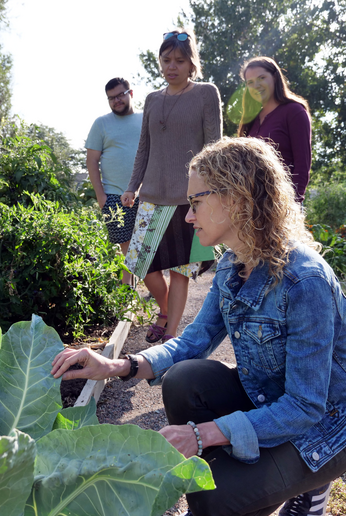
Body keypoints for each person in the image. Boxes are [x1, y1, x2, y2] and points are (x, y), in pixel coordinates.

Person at [52, 137, 346, 516]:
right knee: (185, 379)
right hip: (271, 402)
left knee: (213, 503)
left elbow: (307, 406)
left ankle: (308, 483)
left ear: (236, 199)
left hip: (328, 427)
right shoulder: (231, 265)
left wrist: (203, 435)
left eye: (195, 203)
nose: (188, 217)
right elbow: (194, 341)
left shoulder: (303, 282)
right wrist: (117, 365)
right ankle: (256, 479)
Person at [121, 29, 222, 343]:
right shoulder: (152, 99)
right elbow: (144, 148)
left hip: (188, 198)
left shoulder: (206, 93)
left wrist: (211, 190)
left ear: (192, 63)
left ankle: (171, 334)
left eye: (180, 60)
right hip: (151, 196)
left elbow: (214, 145)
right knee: (140, 262)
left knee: (181, 270)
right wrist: (131, 186)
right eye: (166, 60)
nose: (172, 66)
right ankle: (163, 310)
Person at [86, 77, 144, 286]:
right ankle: (126, 291)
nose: (116, 100)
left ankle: (150, 288)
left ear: (130, 93)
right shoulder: (101, 123)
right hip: (113, 194)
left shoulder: (145, 119)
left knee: (147, 244)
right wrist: (100, 196)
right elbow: (92, 161)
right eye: (111, 98)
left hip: (147, 193)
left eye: (120, 95)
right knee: (124, 245)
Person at [237, 57, 312, 204]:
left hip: (283, 203)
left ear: (275, 78)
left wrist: (292, 205)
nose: (256, 85)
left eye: (261, 78)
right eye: (250, 82)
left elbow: (302, 165)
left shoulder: (294, 111)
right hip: (253, 205)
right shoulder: (250, 119)